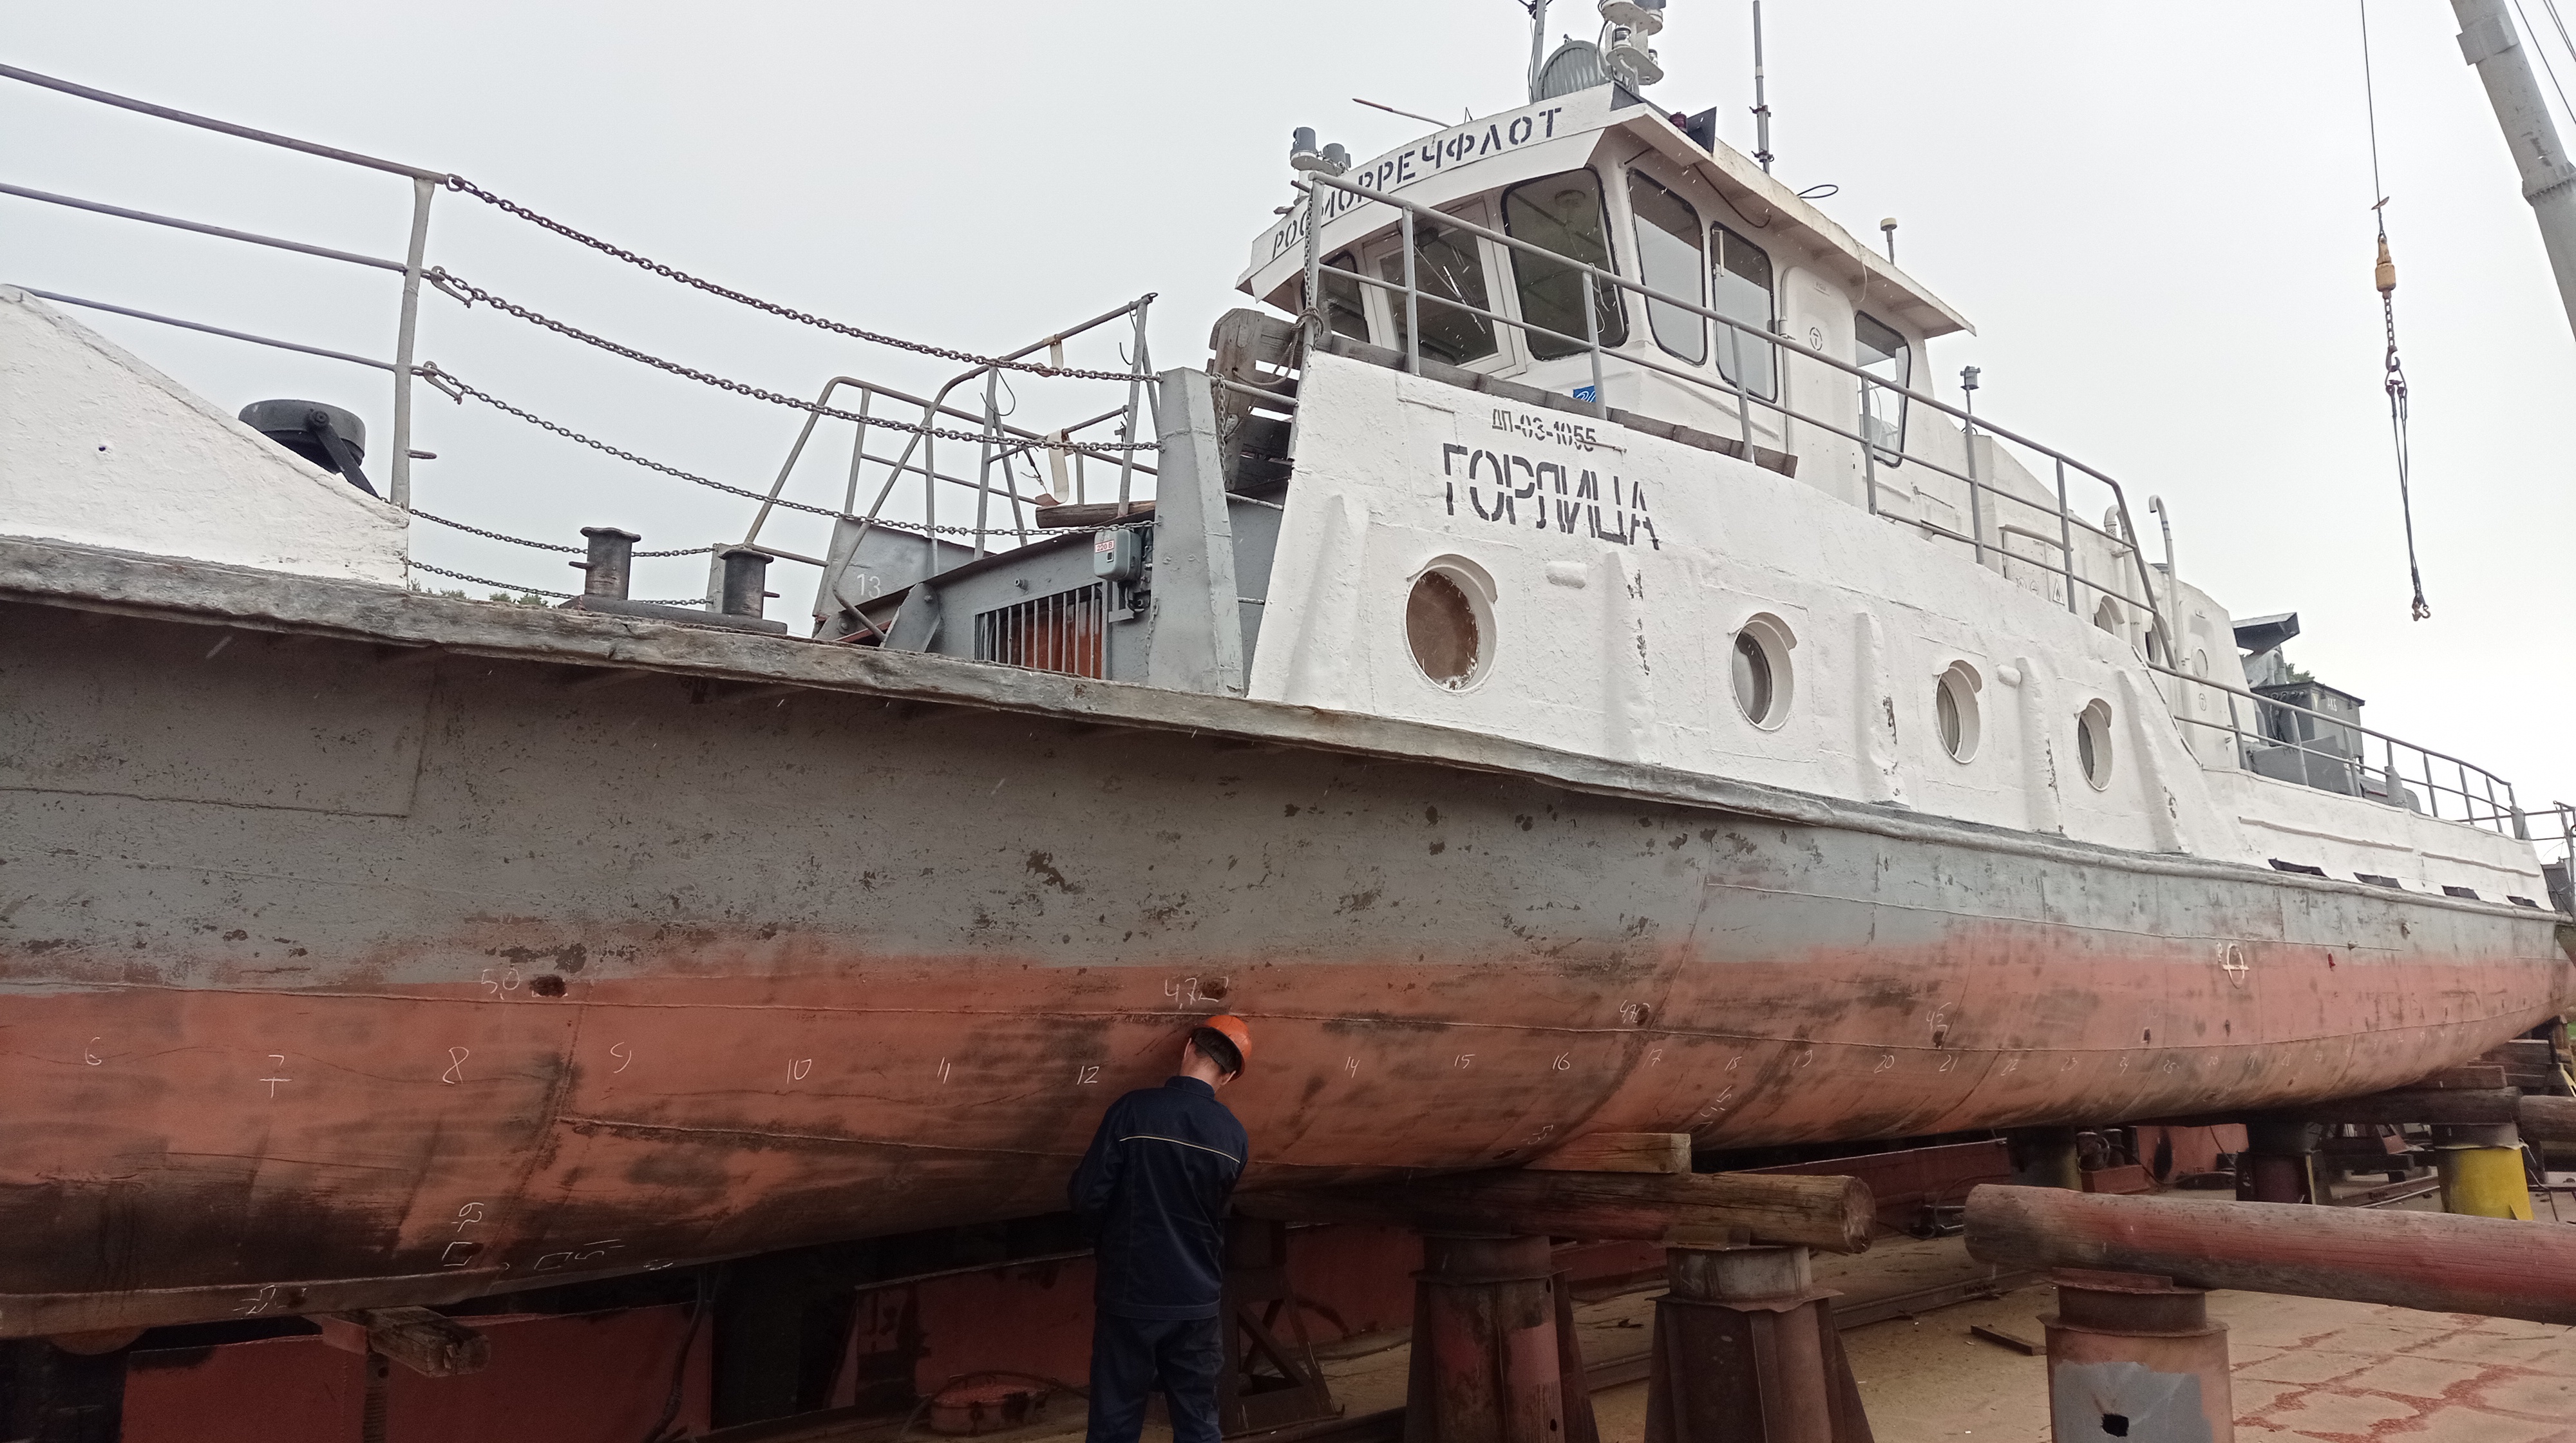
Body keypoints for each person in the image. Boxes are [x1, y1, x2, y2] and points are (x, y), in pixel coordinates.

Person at [1067, 1015, 1253, 1443]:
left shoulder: (1133, 1111)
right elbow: (1214, 1211)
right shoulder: (1234, 1137)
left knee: (1116, 1423)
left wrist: (1107, 1246)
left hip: (1132, 1295)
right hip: (1197, 1304)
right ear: (1227, 1077)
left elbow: (1088, 1196)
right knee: (1198, 1424)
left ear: (1187, 1049)